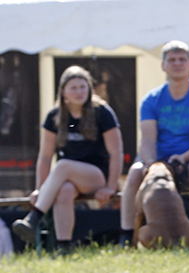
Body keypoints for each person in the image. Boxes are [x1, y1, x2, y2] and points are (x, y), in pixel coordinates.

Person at [118, 41, 189, 246]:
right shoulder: (151, 99)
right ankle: (126, 235)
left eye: (182, 59)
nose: (177, 63)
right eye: (172, 60)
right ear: (163, 65)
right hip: (159, 160)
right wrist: (151, 164)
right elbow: (147, 140)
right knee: (135, 171)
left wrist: (183, 158)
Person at [11, 66, 123, 251]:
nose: (79, 92)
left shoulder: (103, 112)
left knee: (62, 165)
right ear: (63, 92)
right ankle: (64, 247)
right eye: (74, 88)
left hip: (96, 176)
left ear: (89, 89)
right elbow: (45, 156)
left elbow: (116, 152)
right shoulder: (54, 116)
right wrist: (40, 189)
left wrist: (110, 187)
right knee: (64, 191)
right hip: (67, 177)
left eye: (83, 87)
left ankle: (34, 218)